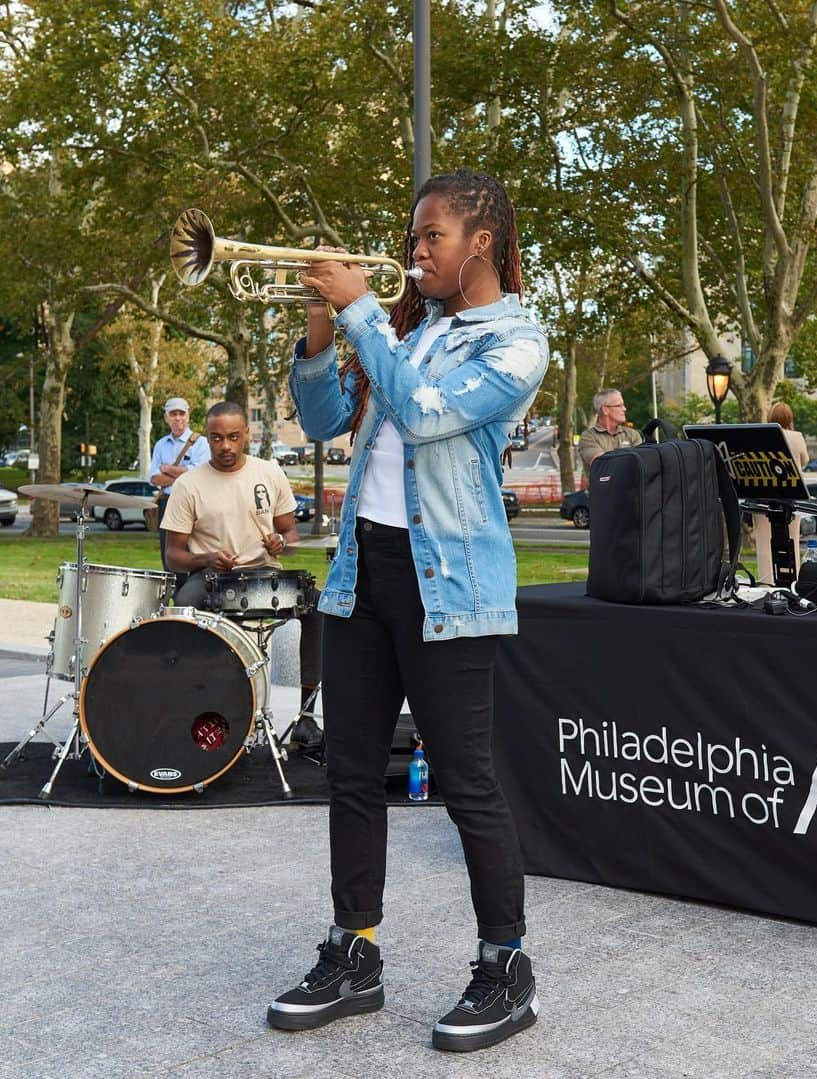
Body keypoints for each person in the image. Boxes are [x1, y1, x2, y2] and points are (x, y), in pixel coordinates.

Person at [272, 169, 547, 1051]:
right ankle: (356, 948)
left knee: (466, 781)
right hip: (364, 570)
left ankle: (506, 964)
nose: (414, 252)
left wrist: (357, 314)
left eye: (433, 237)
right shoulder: (413, 330)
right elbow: (319, 420)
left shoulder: (516, 341)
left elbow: (427, 418)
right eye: (412, 237)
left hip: (450, 583)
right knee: (351, 771)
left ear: (484, 243)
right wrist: (322, 326)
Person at [160, 402, 324, 751]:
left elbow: (291, 536)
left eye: (234, 437)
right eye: (217, 438)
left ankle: (305, 718)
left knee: (321, 609)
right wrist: (204, 558)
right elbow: (173, 556)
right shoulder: (190, 485)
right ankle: (196, 708)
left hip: (265, 573)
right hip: (213, 577)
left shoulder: (269, 473)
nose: (226, 447)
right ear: (208, 438)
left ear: (246, 434)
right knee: (182, 603)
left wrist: (281, 542)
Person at [752, 402, 810, 585]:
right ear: (790, 418)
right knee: (791, 539)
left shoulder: (761, 435)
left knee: (763, 541)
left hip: (764, 492)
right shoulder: (796, 436)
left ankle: (766, 581)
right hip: (791, 494)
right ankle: (793, 580)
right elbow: (805, 460)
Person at [149, 397, 210, 570]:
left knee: (195, 553)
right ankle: (174, 594)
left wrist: (167, 468)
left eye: (181, 413)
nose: (178, 418)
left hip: (194, 503)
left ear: (188, 416)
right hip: (167, 502)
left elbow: (200, 473)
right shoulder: (161, 444)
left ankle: (193, 594)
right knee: (168, 556)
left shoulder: (201, 443)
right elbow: (153, 477)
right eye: (173, 414)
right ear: (166, 417)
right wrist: (185, 472)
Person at [577, 388, 642, 476]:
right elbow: (603, 464)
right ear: (605, 410)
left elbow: (641, 463)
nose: (624, 409)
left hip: (632, 489)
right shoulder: (588, 437)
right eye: (619, 405)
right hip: (602, 489)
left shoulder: (633, 435)